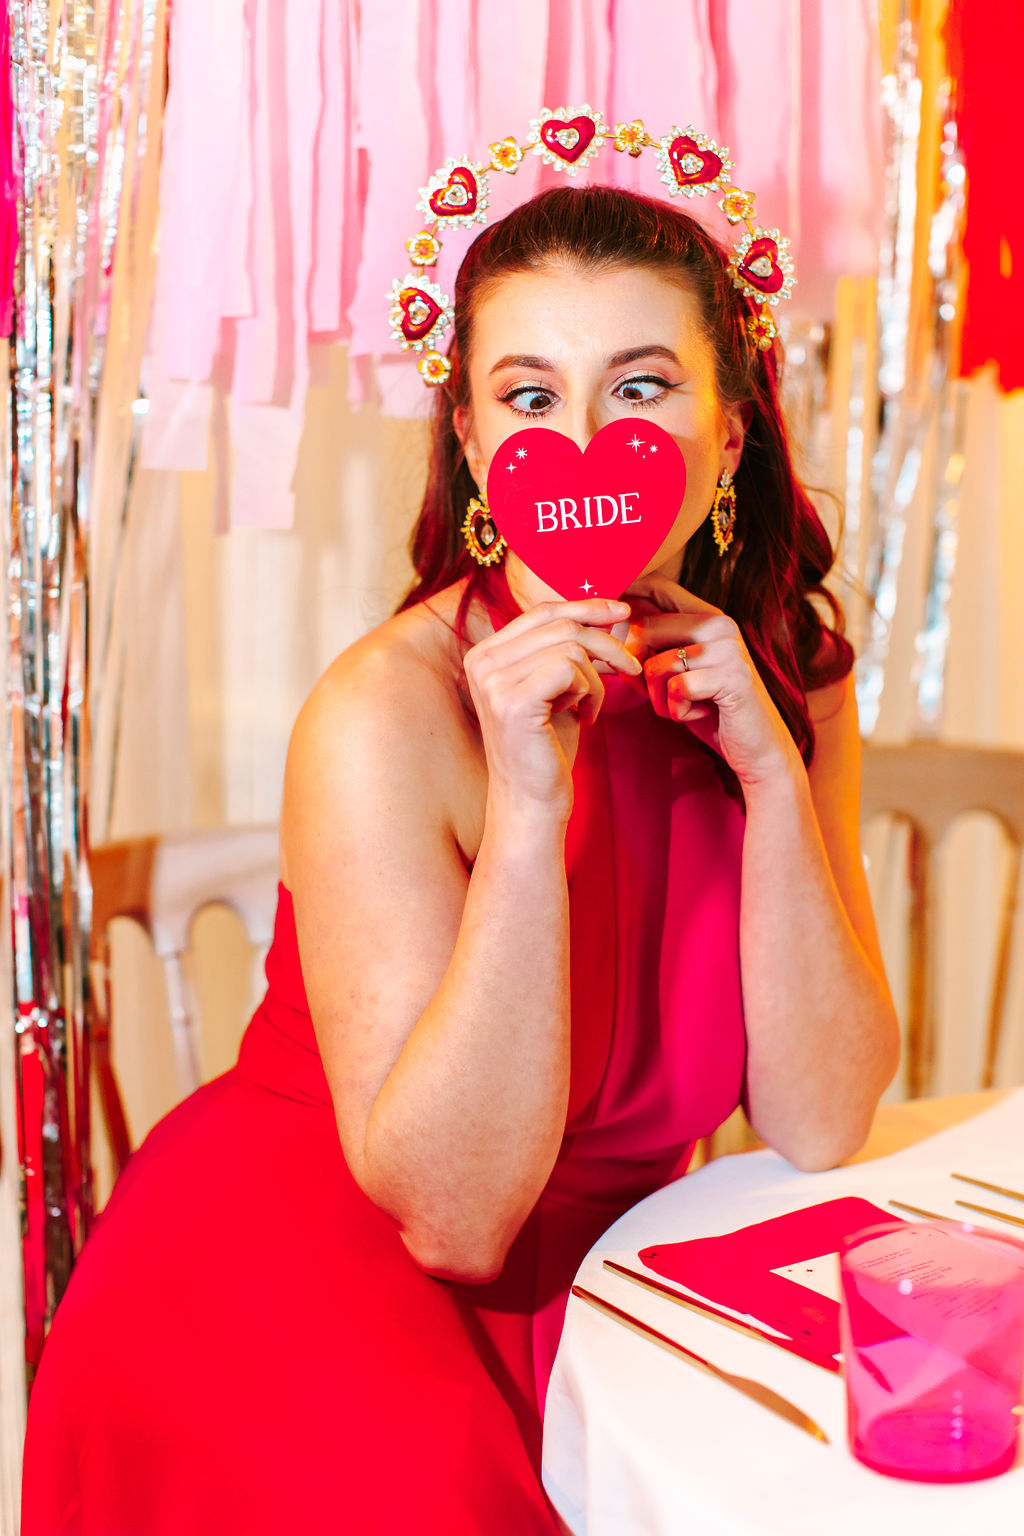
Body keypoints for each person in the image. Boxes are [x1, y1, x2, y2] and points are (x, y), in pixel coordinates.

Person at [21, 183, 899, 1535]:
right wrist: (530, 806)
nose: (587, 441)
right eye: (530, 397)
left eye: (642, 387)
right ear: (478, 448)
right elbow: (456, 1219)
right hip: (315, 1272)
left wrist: (773, 773)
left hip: (622, 1275)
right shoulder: (385, 712)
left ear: (728, 435)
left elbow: (824, 1117)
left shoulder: (790, 679)